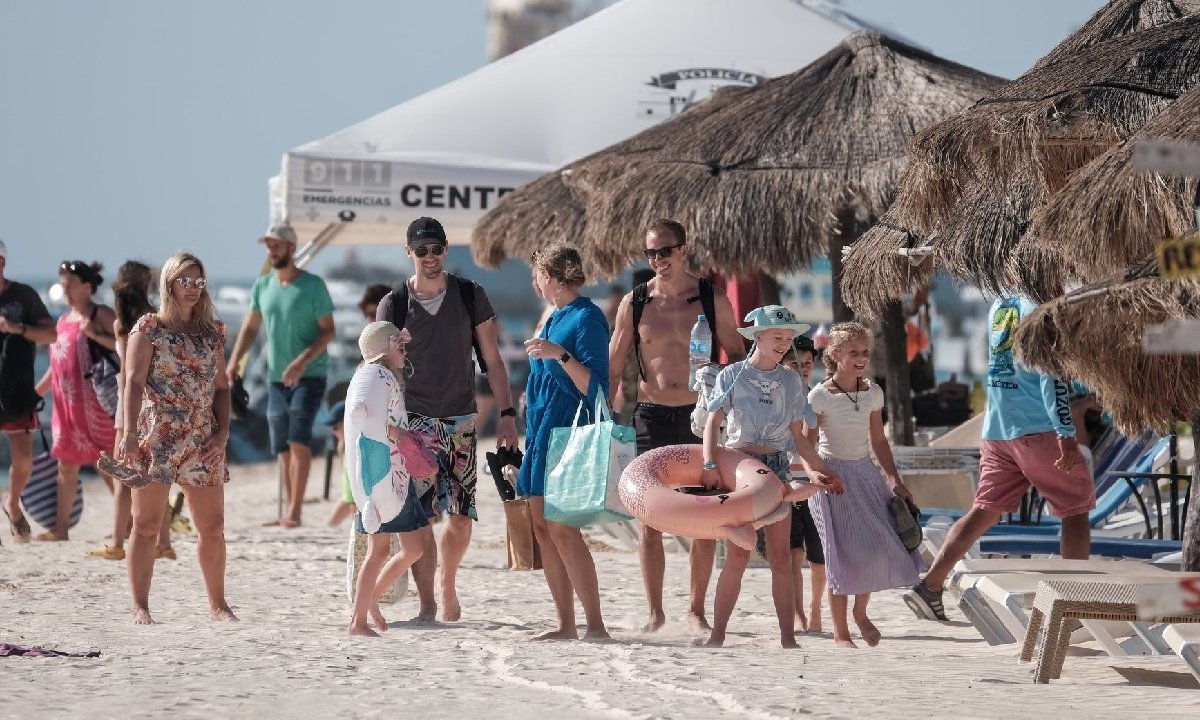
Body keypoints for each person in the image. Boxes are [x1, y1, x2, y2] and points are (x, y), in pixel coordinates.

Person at [904, 296, 1090, 622]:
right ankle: (1070, 607)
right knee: (1075, 510)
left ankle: (930, 585)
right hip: (1039, 428)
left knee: (984, 509)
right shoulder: (1045, 309)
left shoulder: (1002, 304)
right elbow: (1052, 378)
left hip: (999, 428)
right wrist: (1065, 431)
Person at [376, 216, 518, 622]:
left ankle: (448, 582)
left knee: (461, 516)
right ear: (409, 253)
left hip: (460, 422)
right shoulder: (394, 304)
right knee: (420, 517)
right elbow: (379, 369)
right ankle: (427, 604)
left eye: (436, 248)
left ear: (446, 249)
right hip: (413, 422)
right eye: (421, 250)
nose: (430, 257)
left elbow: (492, 360)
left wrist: (507, 415)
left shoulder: (470, 295)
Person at [607, 219, 746, 633]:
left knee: (703, 519)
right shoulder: (634, 302)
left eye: (664, 251)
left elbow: (738, 356)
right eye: (650, 253)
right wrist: (601, 412)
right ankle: (655, 612)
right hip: (650, 413)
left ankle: (696, 609)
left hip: (700, 418)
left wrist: (731, 404)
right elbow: (615, 363)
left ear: (684, 250)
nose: (657, 260)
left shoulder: (709, 296)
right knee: (648, 521)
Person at [701, 306, 842, 648]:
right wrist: (709, 465)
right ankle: (718, 634)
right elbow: (712, 423)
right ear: (757, 336)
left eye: (788, 338)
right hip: (740, 468)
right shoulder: (732, 375)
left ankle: (788, 638)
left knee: (780, 557)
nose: (784, 343)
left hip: (777, 468)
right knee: (737, 555)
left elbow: (798, 438)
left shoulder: (792, 381)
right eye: (777, 337)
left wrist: (823, 472)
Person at [109, 251, 236, 624]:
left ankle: (218, 605)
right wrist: (129, 435)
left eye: (198, 281)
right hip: (157, 436)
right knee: (146, 525)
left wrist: (224, 432)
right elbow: (132, 383)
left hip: (203, 439)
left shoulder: (212, 332)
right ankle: (141, 606)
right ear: (169, 283)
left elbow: (223, 388)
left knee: (212, 528)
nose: (193, 288)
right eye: (185, 280)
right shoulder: (149, 328)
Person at [806, 321, 924, 648]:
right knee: (841, 557)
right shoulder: (820, 396)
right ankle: (840, 633)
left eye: (865, 351)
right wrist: (817, 474)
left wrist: (894, 481)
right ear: (835, 354)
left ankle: (860, 613)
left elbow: (879, 441)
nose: (861, 357)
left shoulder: (873, 391)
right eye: (853, 352)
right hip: (834, 479)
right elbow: (806, 444)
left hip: (866, 475)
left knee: (876, 549)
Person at [519, 243, 611, 641]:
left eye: (538, 274)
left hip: (566, 433)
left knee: (562, 527)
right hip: (541, 429)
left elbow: (598, 388)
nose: (535, 282)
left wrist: (558, 355)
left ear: (553, 278)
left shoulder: (587, 318)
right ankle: (565, 624)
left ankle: (595, 624)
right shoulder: (553, 316)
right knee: (542, 526)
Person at [228, 222, 336, 528]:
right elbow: (250, 328)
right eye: (268, 245)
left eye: (276, 245)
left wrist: (301, 361)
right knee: (283, 447)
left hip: (310, 375)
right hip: (277, 379)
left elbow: (329, 332)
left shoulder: (313, 286)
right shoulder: (263, 286)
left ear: (291, 247)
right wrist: (234, 361)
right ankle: (289, 510)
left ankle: (295, 513)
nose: (271, 250)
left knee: (298, 440)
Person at [344, 322, 428, 637]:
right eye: (399, 346)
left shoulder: (381, 379)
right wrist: (398, 436)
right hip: (386, 479)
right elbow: (371, 424)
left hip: (393, 476)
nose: (405, 351)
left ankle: (368, 605)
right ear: (384, 350)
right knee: (381, 550)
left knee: (410, 549)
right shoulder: (377, 377)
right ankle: (359, 619)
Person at [87, 261, 175, 560]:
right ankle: (164, 543)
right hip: (158, 401)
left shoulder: (122, 323)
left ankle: (116, 542)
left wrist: (124, 416)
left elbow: (127, 374)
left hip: (131, 402)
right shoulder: (158, 317)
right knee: (157, 472)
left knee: (123, 473)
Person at [33, 260, 117, 541]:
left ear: (87, 287)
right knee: (66, 466)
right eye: (63, 285)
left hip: (96, 407)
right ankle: (61, 529)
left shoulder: (100, 313)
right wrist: (35, 393)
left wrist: (95, 334)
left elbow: (127, 342)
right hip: (65, 407)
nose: (65, 290)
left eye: (70, 285)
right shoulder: (62, 320)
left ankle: (127, 522)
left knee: (107, 465)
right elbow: (56, 368)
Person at [0, 238, 57, 543]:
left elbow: (52, 334)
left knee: (23, 461)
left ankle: (11, 503)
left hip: (17, 391)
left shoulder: (23, 296)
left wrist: (16, 328)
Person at [781, 333, 825, 633]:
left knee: (819, 557)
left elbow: (813, 443)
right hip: (783, 481)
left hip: (812, 481)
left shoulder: (817, 398)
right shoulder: (775, 396)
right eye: (796, 363)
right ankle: (798, 613)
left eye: (808, 363)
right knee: (793, 552)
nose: (804, 367)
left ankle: (815, 608)